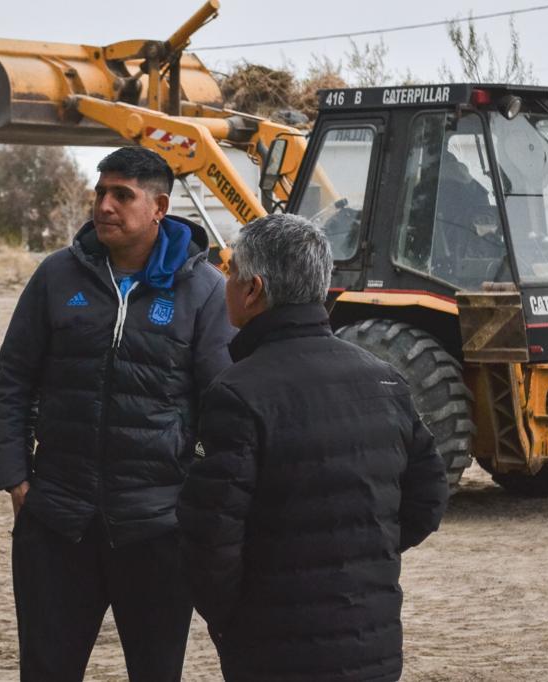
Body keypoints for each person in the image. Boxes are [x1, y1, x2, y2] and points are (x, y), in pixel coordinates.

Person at [0, 146, 234, 681]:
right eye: (100, 192)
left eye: (122, 195)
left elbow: (223, 405)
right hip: (57, 523)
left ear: (159, 207)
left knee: (154, 671)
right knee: (46, 669)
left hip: (157, 530)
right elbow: (13, 380)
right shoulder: (57, 276)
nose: (104, 205)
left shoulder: (204, 289)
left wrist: (193, 498)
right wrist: (17, 480)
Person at [177, 213, 449, 682]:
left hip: (275, 646)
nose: (225, 283)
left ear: (253, 290)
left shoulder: (237, 393)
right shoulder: (383, 378)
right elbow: (428, 498)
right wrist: (367, 555)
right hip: (373, 641)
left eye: (231, 272)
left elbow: (210, 536)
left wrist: (233, 616)